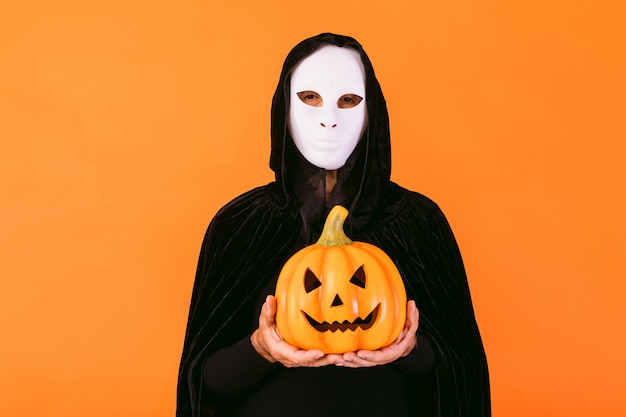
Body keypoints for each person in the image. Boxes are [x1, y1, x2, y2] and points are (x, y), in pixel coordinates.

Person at [177, 33, 490, 417]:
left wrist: (410, 350)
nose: (329, 119)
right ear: (284, 111)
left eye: (348, 100)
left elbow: (460, 376)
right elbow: (203, 383)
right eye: (310, 98)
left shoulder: (416, 223)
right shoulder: (241, 224)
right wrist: (260, 348)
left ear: (371, 111)